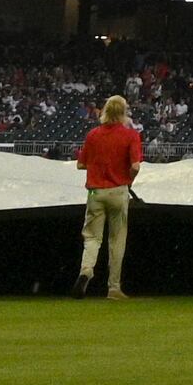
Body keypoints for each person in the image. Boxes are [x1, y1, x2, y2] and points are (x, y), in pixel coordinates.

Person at [75, 94, 142, 299]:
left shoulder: (93, 135)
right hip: (118, 190)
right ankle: (113, 287)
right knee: (116, 239)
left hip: (96, 191)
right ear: (123, 112)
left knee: (93, 238)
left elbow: (80, 164)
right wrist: (128, 179)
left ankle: (86, 270)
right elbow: (135, 166)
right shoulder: (130, 136)